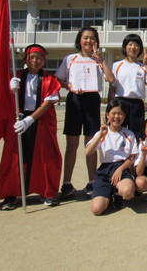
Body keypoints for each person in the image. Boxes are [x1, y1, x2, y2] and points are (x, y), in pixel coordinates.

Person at [0, 44, 62, 210]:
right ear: (25, 59)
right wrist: (10, 89)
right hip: (18, 119)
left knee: (46, 156)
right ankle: (11, 194)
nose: (35, 61)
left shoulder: (49, 79)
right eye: (32, 57)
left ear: (44, 61)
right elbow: (3, 98)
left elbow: (48, 102)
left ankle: (47, 192)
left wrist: (30, 120)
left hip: (41, 121)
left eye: (39, 58)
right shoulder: (16, 76)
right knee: (14, 156)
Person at [55, 26, 115, 200]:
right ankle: (67, 183)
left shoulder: (98, 59)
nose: (89, 40)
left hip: (92, 100)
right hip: (75, 100)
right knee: (71, 144)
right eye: (85, 37)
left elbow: (111, 79)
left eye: (92, 38)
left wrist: (101, 60)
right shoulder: (70, 59)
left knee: (91, 143)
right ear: (79, 40)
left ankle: (92, 182)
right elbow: (58, 79)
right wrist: (69, 86)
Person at [85, 99, 138, 215]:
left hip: (122, 167)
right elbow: (88, 152)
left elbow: (131, 157)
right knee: (97, 209)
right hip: (104, 169)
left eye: (120, 114)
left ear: (124, 116)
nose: (117, 117)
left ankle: (118, 193)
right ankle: (108, 194)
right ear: (107, 115)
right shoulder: (102, 133)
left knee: (128, 192)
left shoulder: (129, 134)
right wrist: (100, 135)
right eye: (113, 113)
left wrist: (120, 169)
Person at [108, 33, 147, 140]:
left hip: (137, 104)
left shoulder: (143, 67)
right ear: (125, 47)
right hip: (120, 102)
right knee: (118, 132)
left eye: (136, 45)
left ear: (140, 48)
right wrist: (110, 106)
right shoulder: (117, 65)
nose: (133, 47)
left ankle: (136, 151)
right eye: (130, 44)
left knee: (137, 134)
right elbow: (112, 88)